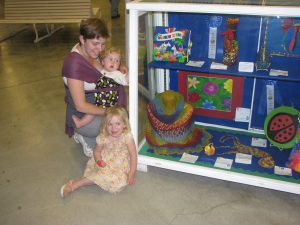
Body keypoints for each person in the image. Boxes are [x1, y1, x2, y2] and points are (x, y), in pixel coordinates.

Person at [62, 18, 128, 157]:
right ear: (82, 39)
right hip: (84, 113)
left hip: (101, 100)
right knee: (117, 122)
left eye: (103, 44)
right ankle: (85, 136)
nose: (99, 49)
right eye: (95, 43)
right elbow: (81, 106)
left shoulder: (92, 51)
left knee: (121, 122)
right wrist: (110, 111)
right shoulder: (74, 64)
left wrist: (120, 67)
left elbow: (109, 60)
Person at [60, 106, 137, 197]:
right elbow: (96, 152)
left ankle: (79, 183)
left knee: (115, 178)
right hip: (105, 159)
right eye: (110, 124)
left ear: (124, 124)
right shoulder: (103, 137)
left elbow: (133, 156)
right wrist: (99, 160)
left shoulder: (127, 137)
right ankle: (75, 184)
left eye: (118, 124)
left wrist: (132, 173)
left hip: (121, 163)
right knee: (101, 175)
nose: (113, 128)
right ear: (105, 125)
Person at [72, 47, 128, 129]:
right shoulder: (103, 71)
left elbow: (125, 80)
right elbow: (93, 63)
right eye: (110, 59)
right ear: (102, 62)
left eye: (117, 61)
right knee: (91, 111)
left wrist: (129, 72)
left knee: (108, 119)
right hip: (101, 99)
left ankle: (115, 129)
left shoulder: (116, 74)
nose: (113, 62)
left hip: (110, 101)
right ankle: (80, 123)